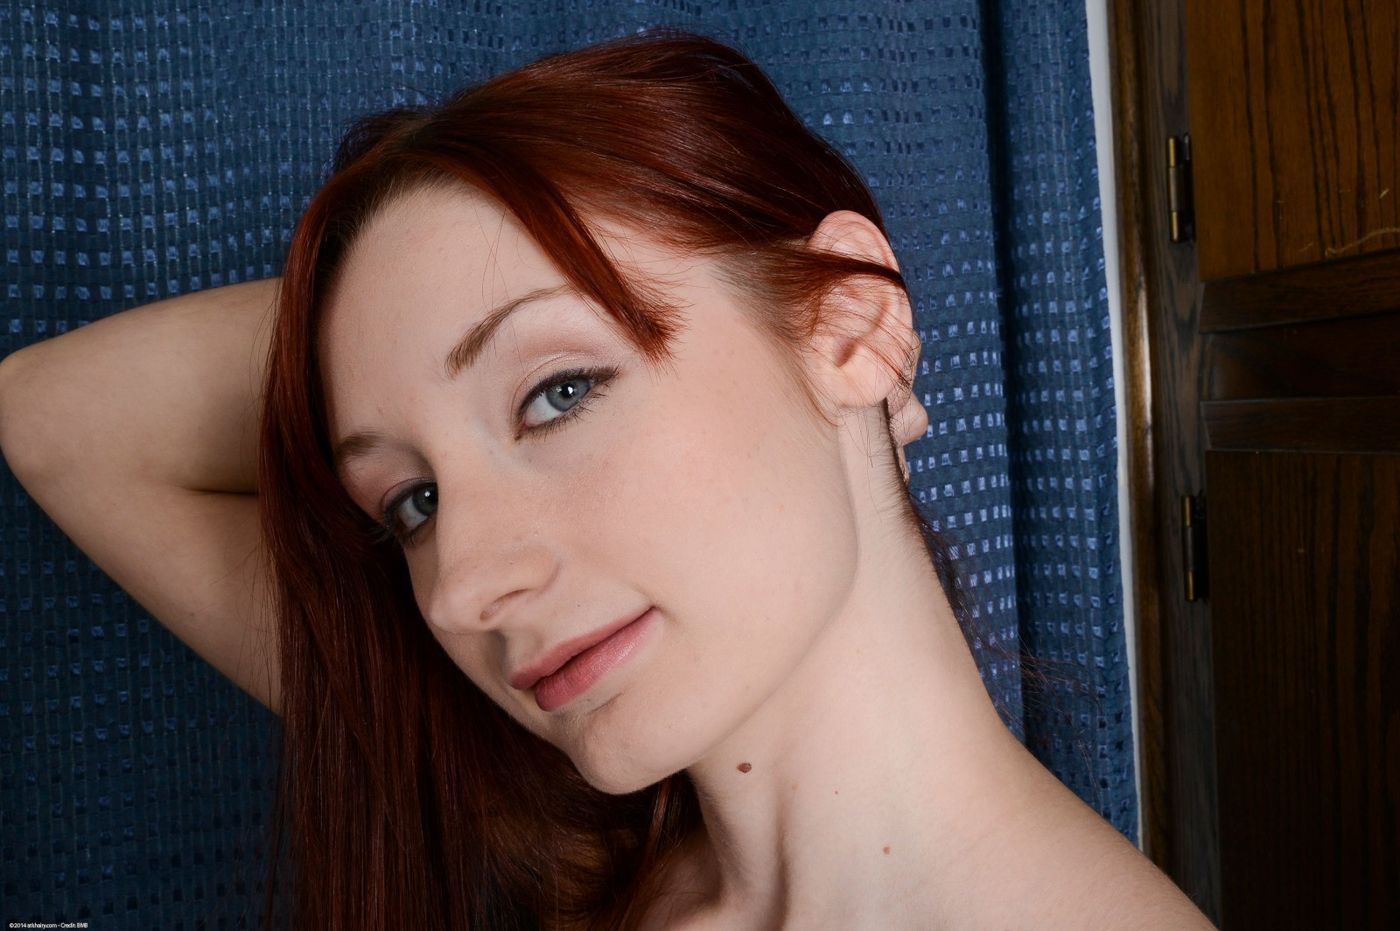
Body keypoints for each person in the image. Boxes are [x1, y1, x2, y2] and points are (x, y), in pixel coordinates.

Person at [0, 28, 1215, 931]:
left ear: (849, 325)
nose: (461, 588)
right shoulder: (565, 846)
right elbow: (46, 417)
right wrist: (393, 317)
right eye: (411, 503)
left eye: (557, 392)